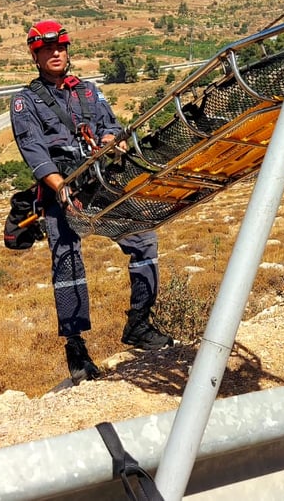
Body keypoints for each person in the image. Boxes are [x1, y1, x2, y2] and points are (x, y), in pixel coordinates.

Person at [10, 19, 174, 385]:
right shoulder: (26, 101)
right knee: (67, 263)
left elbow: (110, 125)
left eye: (60, 48)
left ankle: (139, 323)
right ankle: (76, 348)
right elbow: (33, 149)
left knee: (143, 238)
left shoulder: (87, 92)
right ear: (36, 56)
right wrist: (59, 187)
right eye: (47, 50)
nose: (55, 54)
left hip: (99, 183)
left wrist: (110, 142)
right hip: (61, 191)